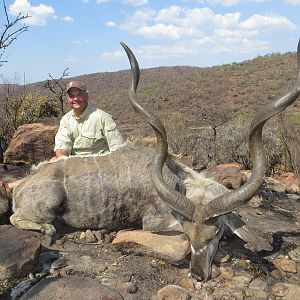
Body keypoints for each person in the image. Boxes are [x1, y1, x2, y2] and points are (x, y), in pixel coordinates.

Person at [0, 80, 124, 198]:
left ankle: (14, 186)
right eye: (71, 95)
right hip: (74, 165)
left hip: (99, 166)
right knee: (52, 162)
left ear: (87, 96)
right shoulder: (66, 119)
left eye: (79, 94)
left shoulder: (102, 117)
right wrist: (62, 158)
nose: (75, 98)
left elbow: (119, 150)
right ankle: (15, 186)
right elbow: (62, 145)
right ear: (67, 99)